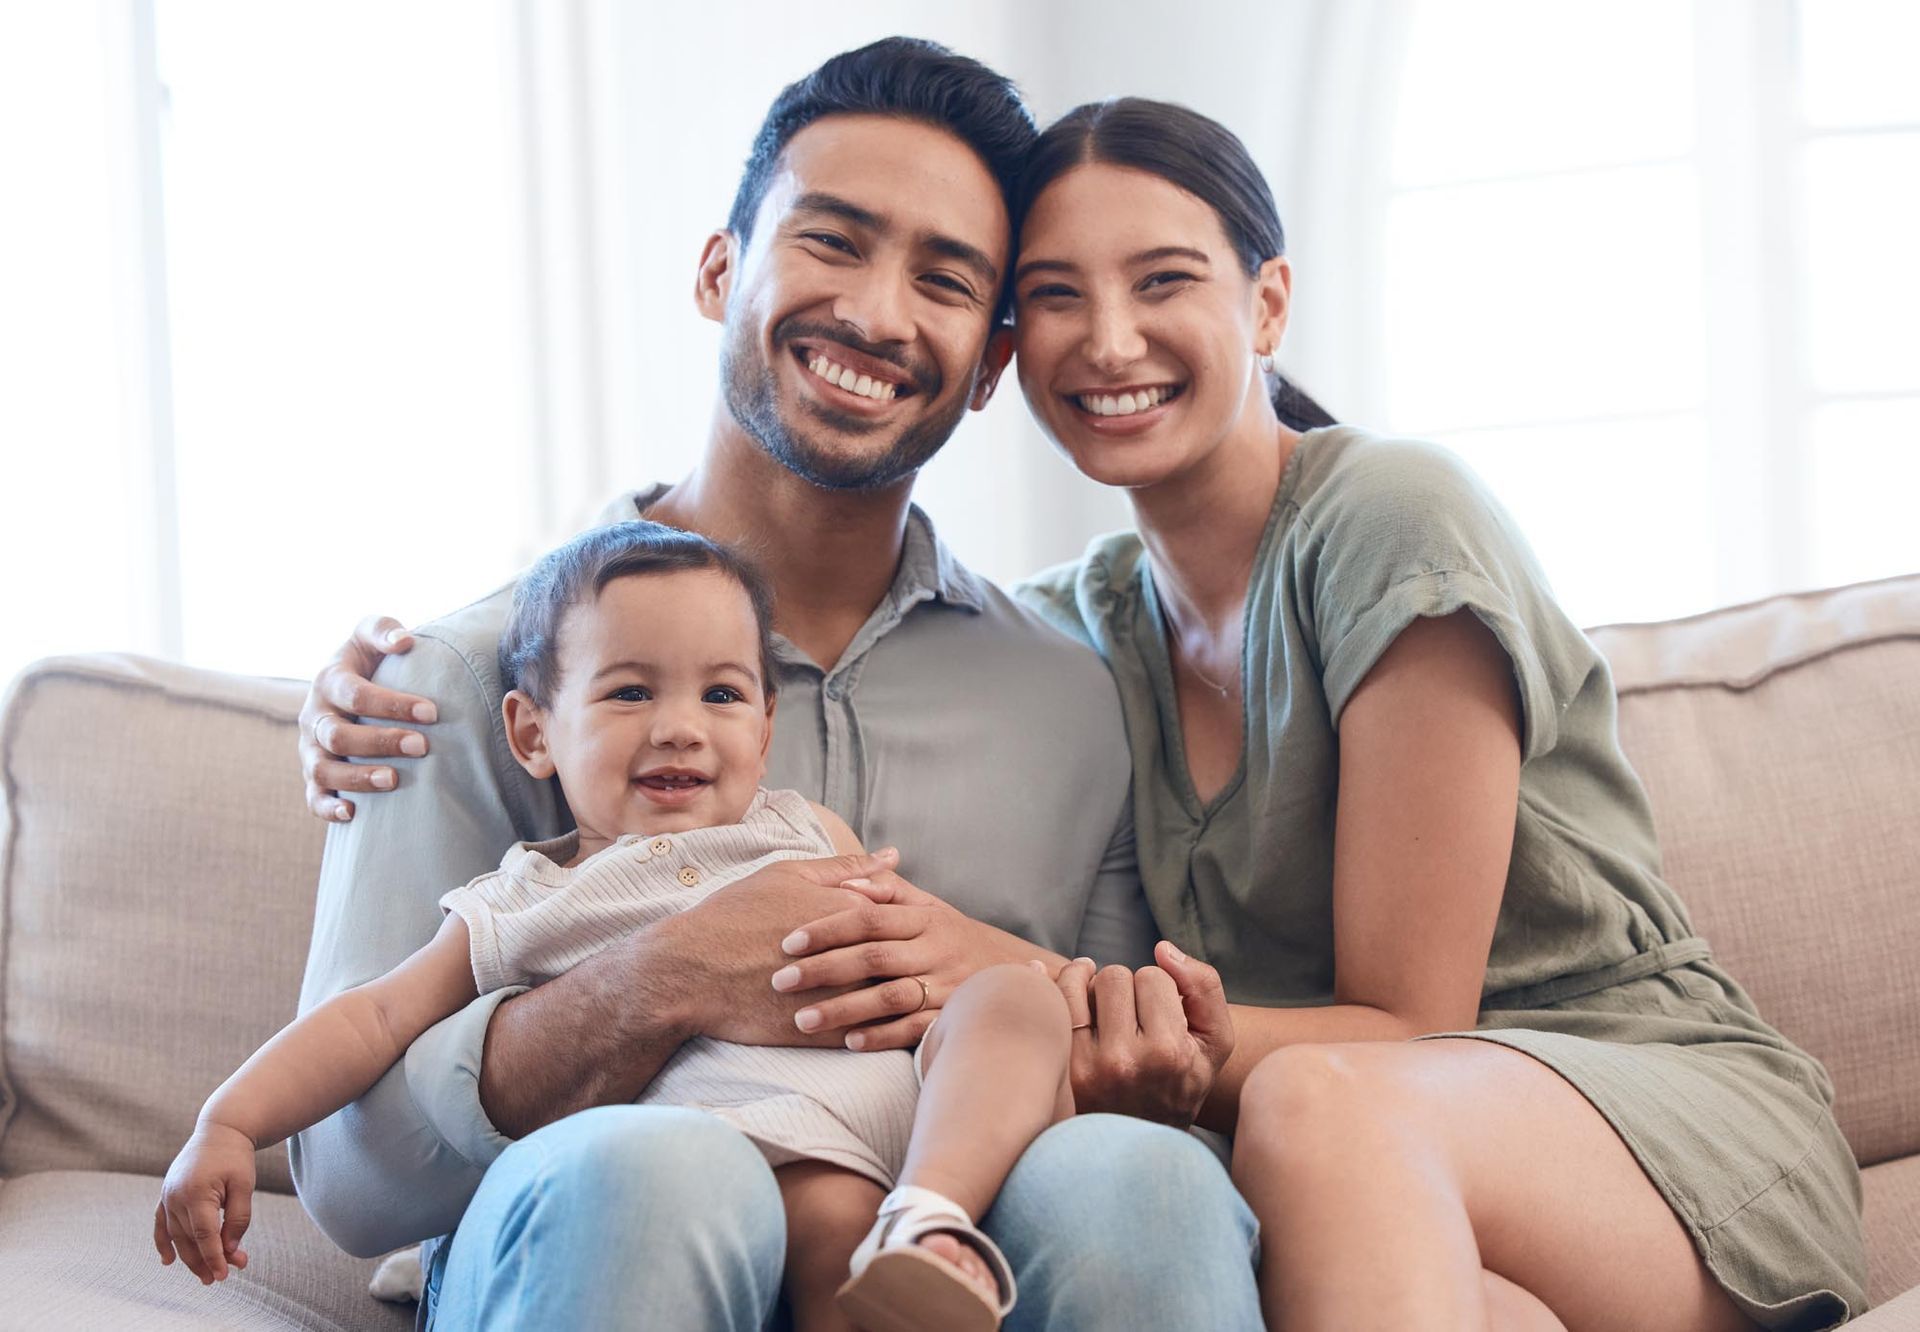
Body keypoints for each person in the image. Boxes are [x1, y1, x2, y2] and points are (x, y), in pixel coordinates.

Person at [292, 41, 1262, 1332]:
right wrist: (658, 978)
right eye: (833, 241)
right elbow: (347, 1176)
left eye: (944, 278)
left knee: (1141, 1179)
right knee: (661, 1172)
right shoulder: (460, 679)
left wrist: (1137, 1057)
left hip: (941, 1236)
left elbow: (1093, 1055)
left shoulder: (1071, 697)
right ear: (718, 271)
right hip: (603, 1229)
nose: (875, 312)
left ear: (987, 368)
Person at [985, 97, 1867, 1329]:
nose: (1109, 340)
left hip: (1641, 1115)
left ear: (1269, 302)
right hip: (1375, 1179)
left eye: (1163, 280)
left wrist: (984, 977)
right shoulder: (1072, 629)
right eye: (1055, 297)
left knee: (1317, 1102)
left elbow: (1408, 1026)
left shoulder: (1392, 517)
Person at [164, 521, 1162, 1331]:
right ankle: (906, 1239)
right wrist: (230, 1123)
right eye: (631, 690)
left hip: (910, 1125)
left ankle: (934, 1213)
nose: (679, 725)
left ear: (765, 731)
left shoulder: (806, 828)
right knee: (829, 1236)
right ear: (531, 732)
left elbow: (896, 943)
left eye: (720, 693)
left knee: (1010, 996)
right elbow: (373, 1022)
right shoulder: (529, 897)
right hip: (762, 1154)